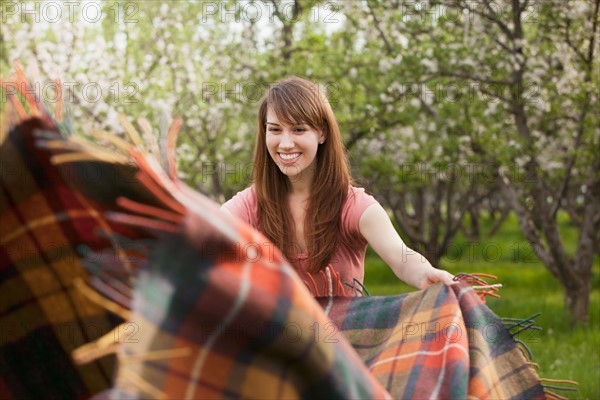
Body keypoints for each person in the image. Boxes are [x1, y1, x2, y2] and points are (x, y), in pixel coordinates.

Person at [221, 76, 454, 297]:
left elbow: (401, 257)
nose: (285, 143)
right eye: (275, 130)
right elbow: (205, 233)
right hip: (277, 337)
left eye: (299, 129)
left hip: (342, 336)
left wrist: (425, 272)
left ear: (321, 132)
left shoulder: (354, 205)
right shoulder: (249, 204)